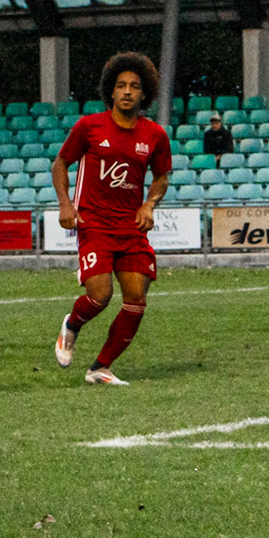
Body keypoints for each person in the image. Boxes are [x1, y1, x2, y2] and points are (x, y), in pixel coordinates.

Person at [51, 52, 172, 386]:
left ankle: (100, 367)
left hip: (130, 227)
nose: (128, 91)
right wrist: (65, 204)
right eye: (121, 85)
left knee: (136, 300)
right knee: (100, 296)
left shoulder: (155, 135)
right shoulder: (89, 127)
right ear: (112, 92)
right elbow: (60, 164)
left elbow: (162, 176)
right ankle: (71, 326)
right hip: (94, 223)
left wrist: (149, 204)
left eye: (134, 86)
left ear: (144, 93)